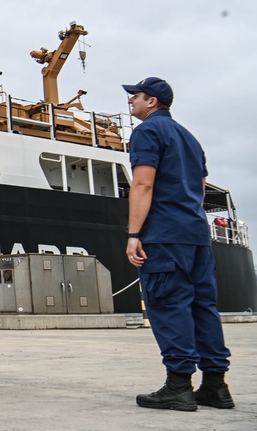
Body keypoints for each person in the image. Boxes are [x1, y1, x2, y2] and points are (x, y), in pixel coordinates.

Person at [123, 77, 233, 411]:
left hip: (164, 236)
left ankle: (178, 385)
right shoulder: (190, 137)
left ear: (152, 101)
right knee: (203, 307)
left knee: (169, 305)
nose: (131, 102)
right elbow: (200, 190)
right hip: (196, 236)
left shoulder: (146, 132)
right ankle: (215, 385)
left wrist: (133, 235)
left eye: (136, 97)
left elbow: (142, 185)